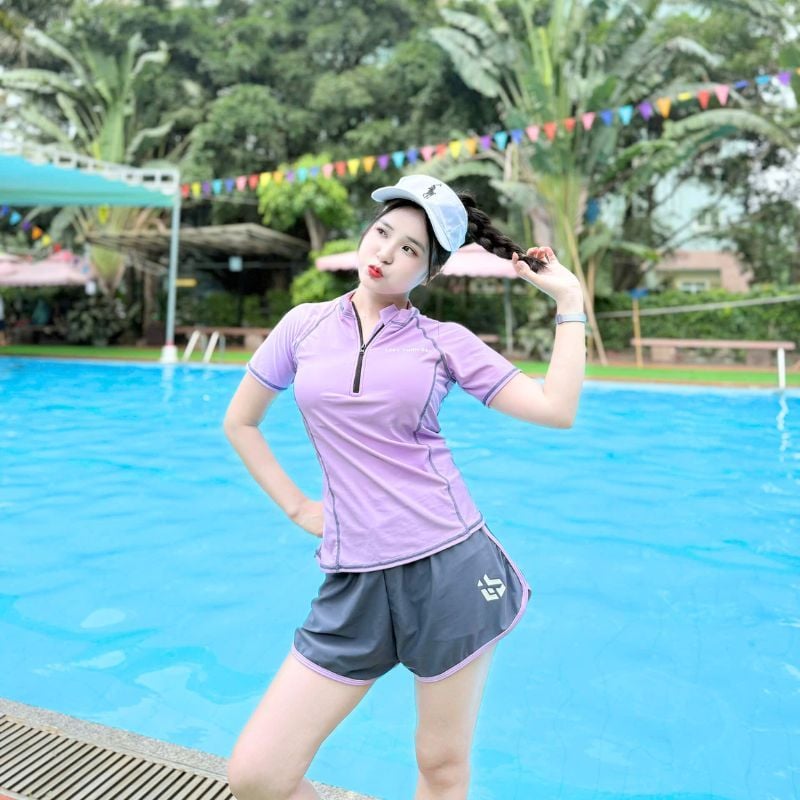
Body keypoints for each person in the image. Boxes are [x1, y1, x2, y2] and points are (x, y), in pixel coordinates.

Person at [223, 174, 586, 800]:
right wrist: (297, 506)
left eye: (410, 248)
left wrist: (569, 300)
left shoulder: (443, 342)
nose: (387, 253)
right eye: (383, 232)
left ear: (429, 271)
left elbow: (557, 408)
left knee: (440, 766)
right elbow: (241, 421)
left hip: (449, 568)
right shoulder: (303, 327)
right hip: (353, 578)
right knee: (258, 777)